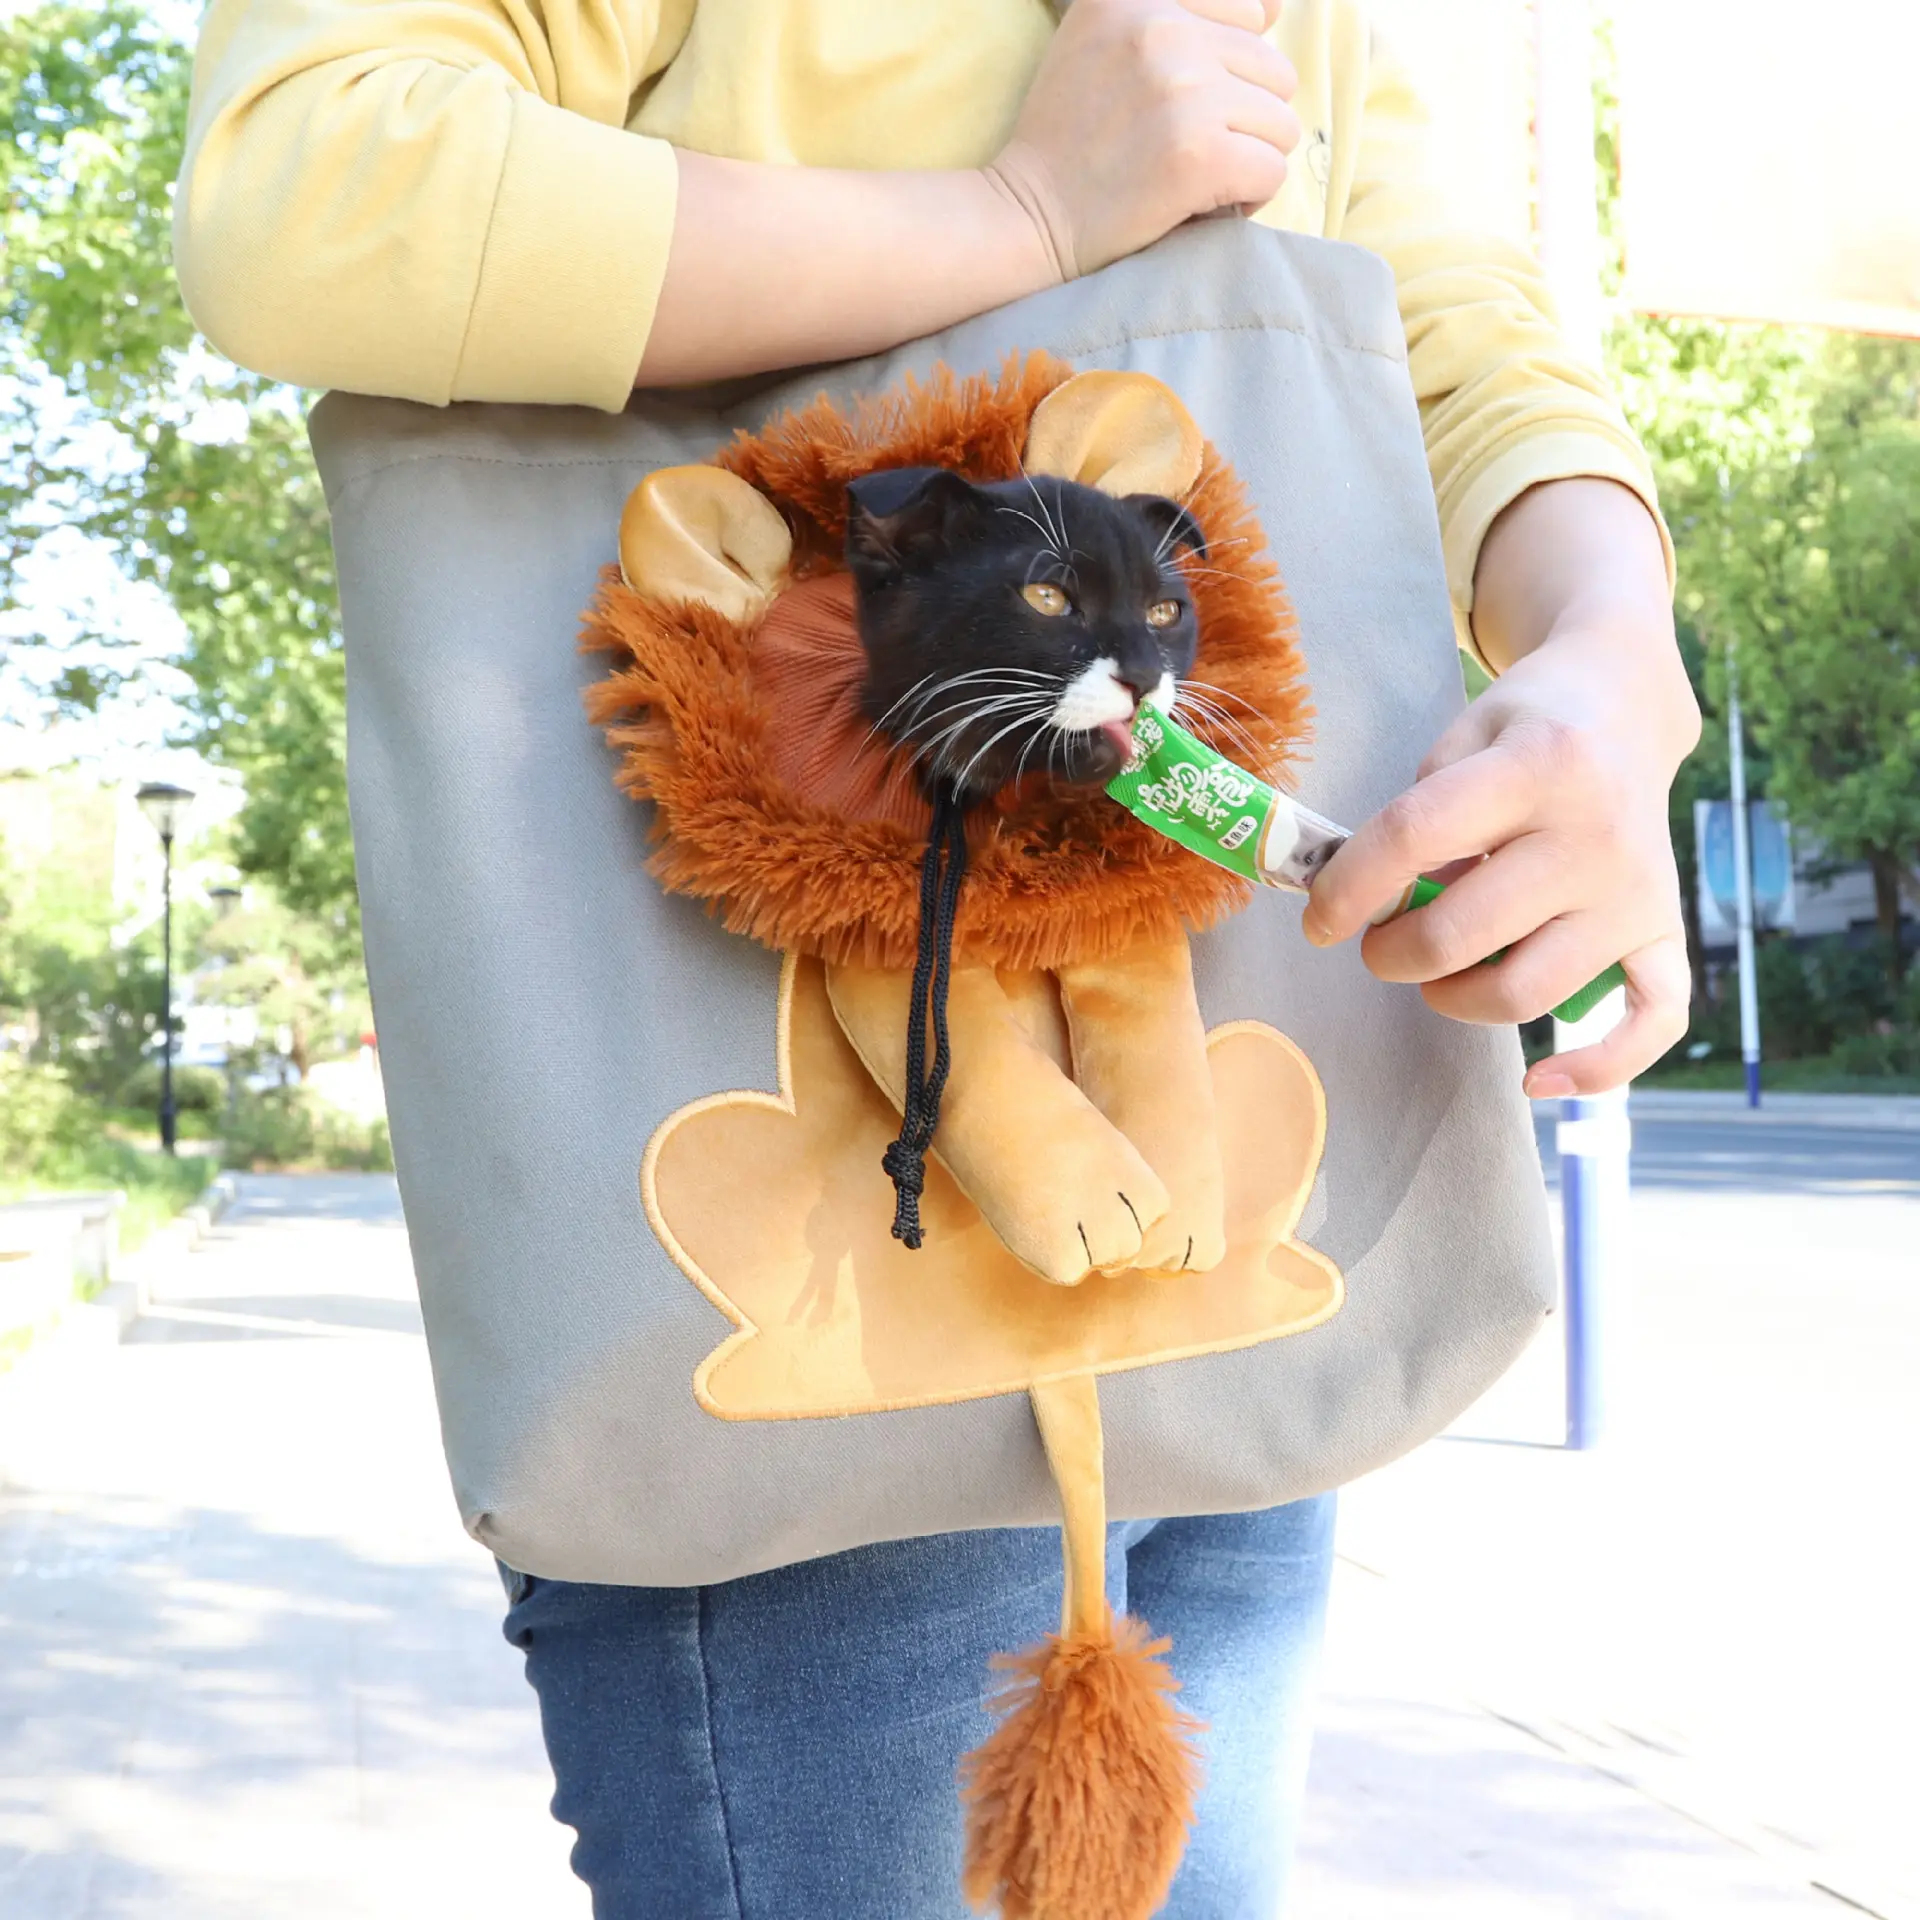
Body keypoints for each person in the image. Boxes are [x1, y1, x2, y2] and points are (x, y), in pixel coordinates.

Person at [174, 2, 1701, 1912]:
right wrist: (1022, 210)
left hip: (1231, 1241)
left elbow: (1426, 298)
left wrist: (1609, 653)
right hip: (817, 1299)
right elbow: (303, 183)